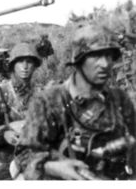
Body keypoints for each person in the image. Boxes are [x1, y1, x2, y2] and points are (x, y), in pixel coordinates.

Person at [14, 24, 136, 180]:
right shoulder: (48, 101)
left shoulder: (119, 98)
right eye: (96, 56)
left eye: (109, 55)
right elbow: (24, 155)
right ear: (79, 60)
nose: (105, 64)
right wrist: (55, 167)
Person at [0, 42, 42, 180]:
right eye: (20, 62)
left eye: (29, 62)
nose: (25, 66)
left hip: (30, 162)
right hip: (2, 165)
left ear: (35, 66)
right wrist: (4, 133)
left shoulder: (41, 94)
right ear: (12, 66)